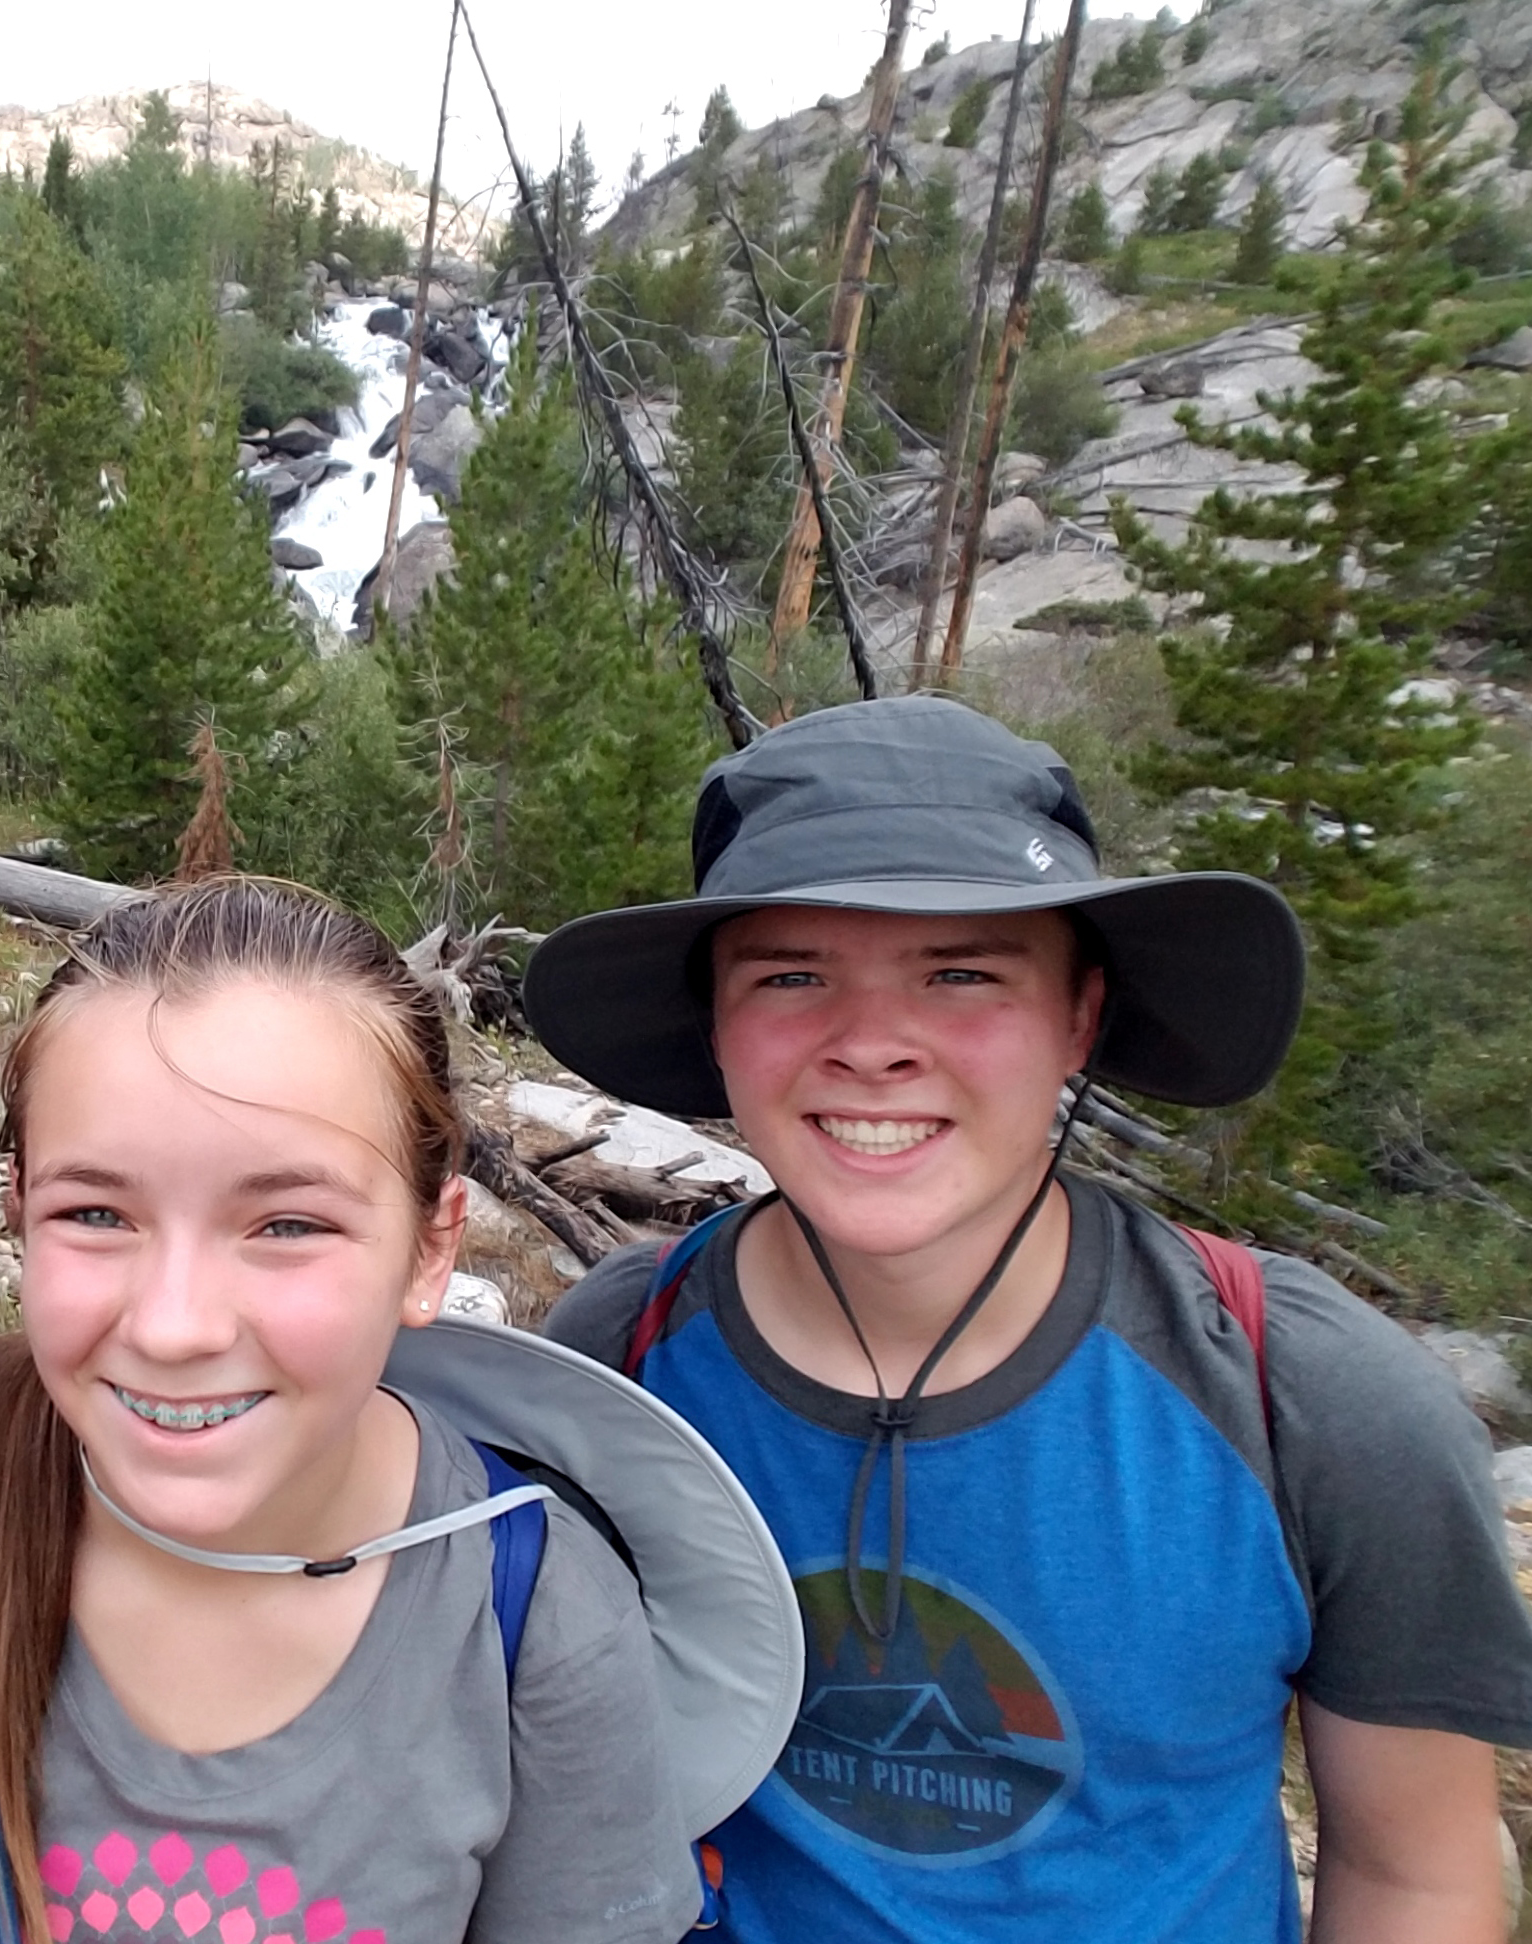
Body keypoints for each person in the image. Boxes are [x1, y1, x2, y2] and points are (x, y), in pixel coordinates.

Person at [529, 694, 1532, 1943]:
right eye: (791, 975)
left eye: (961, 973)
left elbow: (1415, 1878)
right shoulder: (614, 1366)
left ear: (1080, 1018)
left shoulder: (1312, 1402)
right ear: (719, 1026)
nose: (874, 1045)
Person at [0, 876, 789, 1944]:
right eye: (96, 1213)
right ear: (18, 1213)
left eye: (286, 1224)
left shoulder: (529, 1615)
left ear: (432, 1248)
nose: (175, 1325)